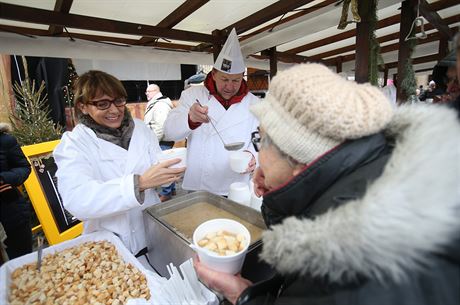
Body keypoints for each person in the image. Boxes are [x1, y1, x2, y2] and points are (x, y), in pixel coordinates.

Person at [194, 63, 460, 305]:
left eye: (260, 140)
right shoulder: (380, 170)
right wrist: (283, 187)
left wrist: (240, 295)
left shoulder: (343, 265)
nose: (258, 154)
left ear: (298, 159)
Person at [54, 70, 185, 256]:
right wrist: (138, 184)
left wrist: (171, 172)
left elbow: (157, 168)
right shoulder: (75, 143)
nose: (114, 110)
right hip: (110, 243)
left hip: (152, 231)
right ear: (83, 107)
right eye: (102, 103)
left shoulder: (141, 129)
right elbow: (77, 199)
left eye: (118, 100)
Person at [164, 29, 258, 196]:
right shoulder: (192, 95)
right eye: (224, 79)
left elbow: (262, 139)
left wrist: (253, 156)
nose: (230, 86)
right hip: (200, 186)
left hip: (237, 184)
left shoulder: (254, 103)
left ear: (242, 76)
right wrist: (190, 119)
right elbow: (169, 132)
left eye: (236, 80)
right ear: (214, 74)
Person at [0, 122, 32, 259]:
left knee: (21, 262)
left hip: (11, 212)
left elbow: (24, 167)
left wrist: (4, 178)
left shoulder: (5, 140)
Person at [144, 83, 176, 202]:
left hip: (161, 141)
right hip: (162, 140)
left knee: (163, 167)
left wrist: (153, 143)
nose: (146, 93)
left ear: (156, 91)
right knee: (168, 165)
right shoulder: (157, 103)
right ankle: (171, 189)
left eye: (149, 91)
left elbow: (160, 127)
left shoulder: (160, 105)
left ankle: (166, 193)